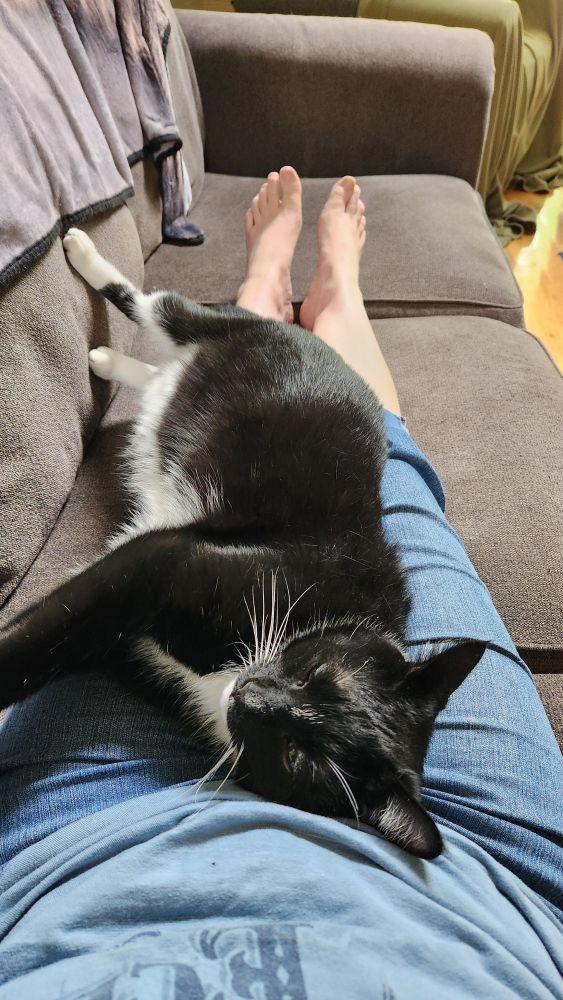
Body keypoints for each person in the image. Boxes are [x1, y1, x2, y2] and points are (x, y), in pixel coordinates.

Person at [0, 168, 561, 999]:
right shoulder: (314, 646)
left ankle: (280, 299)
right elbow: (159, 574)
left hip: (92, 848)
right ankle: (324, 296)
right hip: (486, 901)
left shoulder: (288, 726)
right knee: (395, 468)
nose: (259, 700)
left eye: (295, 748)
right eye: (303, 688)